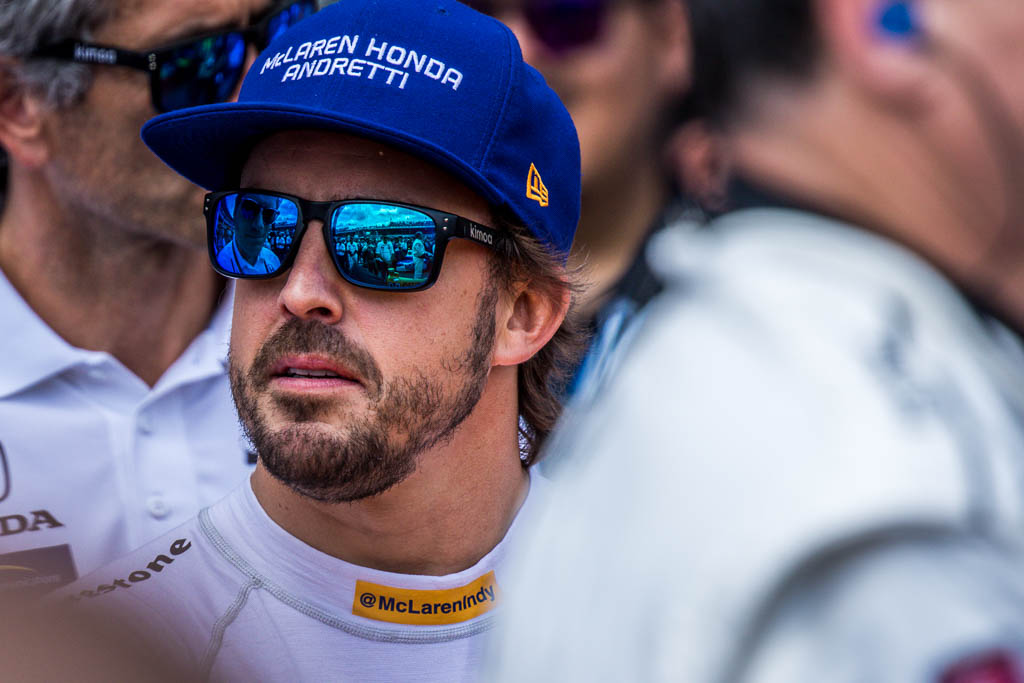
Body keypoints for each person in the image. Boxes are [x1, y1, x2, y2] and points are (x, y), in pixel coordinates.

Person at [489, 0, 1024, 680]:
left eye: (567, 15)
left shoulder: (739, 349)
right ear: (881, 20)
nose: (520, 50)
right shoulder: (894, 482)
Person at [57, 1, 582, 680]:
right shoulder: (97, 656)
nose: (300, 290)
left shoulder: (682, 615)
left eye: (381, 239)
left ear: (523, 313)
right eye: (260, 225)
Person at [0, 0, 317, 589]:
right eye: (196, 63)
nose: (258, 93)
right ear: (18, 104)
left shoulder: (352, 330)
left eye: (280, 35)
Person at [464, 0, 691, 401]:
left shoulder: (754, 297)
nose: (518, 49)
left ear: (672, 34)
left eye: (564, 14)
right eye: (477, 16)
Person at [214, 192, 284, 275]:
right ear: (235, 212)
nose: (258, 225)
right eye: (249, 208)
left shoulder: (273, 260)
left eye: (269, 214)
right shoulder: (221, 263)